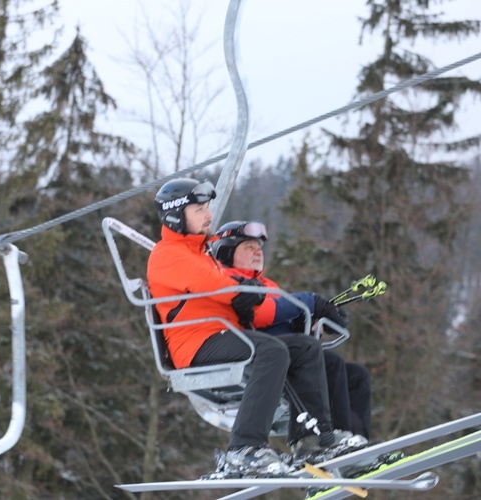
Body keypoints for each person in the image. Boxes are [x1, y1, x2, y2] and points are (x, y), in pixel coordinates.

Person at [146, 178, 355, 477]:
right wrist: (246, 287)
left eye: (207, 208)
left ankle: (310, 440)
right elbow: (217, 286)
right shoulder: (168, 254)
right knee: (270, 351)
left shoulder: (199, 253)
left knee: (305, 347)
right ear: (175, 214)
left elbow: (226, 288)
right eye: (199, 209)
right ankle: (244, 449)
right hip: (195, 343)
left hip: (223, 335)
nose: (208, 215)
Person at [209, 220, 373, 443]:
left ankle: (355, 439)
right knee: (330, 362)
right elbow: (259, 314)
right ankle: (326, 440)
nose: (258, 252)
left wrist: (302, 323)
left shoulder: (265, 285)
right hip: (249, 352)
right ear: (226, 251)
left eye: (259, 248)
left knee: (355, 375)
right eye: (249, 247)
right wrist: (310, 302)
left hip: (274, 347)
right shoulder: (228, 281)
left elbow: (273, 321)